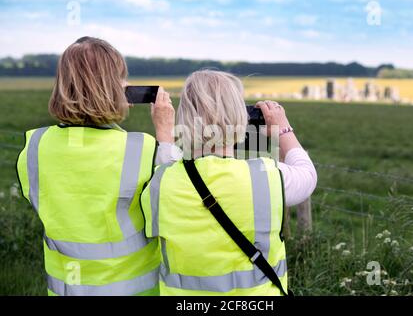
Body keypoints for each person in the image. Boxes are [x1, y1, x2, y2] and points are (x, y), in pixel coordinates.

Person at [16, 37, 176, 296]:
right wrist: (166, 136)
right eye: (121, 79)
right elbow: (174, 205)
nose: (127, 86)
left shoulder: (35, 145)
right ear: (109, 86)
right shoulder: (141, 148)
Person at [140, 70, 317, 296]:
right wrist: (282, 129)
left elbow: (166, 162)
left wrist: (164, 132)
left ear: (184, 118)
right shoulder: (267, 177)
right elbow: (307, 174)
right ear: (240, 117)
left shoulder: (162, 180)